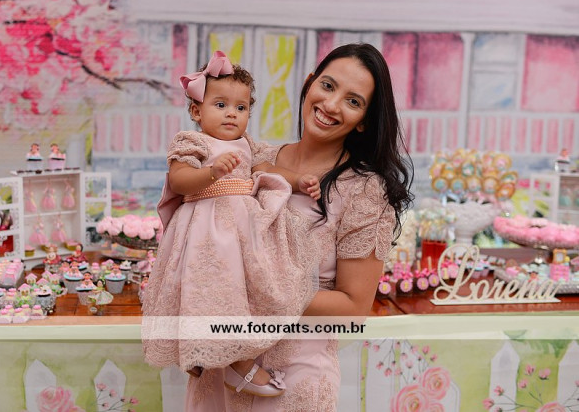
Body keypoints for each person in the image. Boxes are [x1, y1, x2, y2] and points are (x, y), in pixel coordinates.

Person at [185, 43, 414, 411]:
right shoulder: (253, 158)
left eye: (353, 101)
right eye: (328, 85)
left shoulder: (364, 190)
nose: (332, 104)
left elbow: (354, 307)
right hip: (219, 363)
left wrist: (254, 287)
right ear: (309, 84)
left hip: (290, 381)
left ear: (364, 120)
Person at [142, 51, 322, 397]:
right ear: (197, 111)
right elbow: (179, 180)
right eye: (221, 105)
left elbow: (266, 170)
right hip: (205, 231)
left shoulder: (247, 145)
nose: (231, 114)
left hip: (241, 231)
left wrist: (299, 181)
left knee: (245, 291)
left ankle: (228, 353)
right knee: (206, 290)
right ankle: (225, 360)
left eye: (241, 108)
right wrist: (211, 172)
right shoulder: (192, 141)